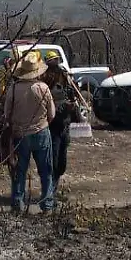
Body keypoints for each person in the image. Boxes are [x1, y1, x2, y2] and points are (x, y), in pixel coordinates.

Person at [0, 50, 57, 213]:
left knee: (19, 172)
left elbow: (6, 114)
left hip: (19, 134)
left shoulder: (13, 89)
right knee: (46, 171)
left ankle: (18, 204)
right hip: (41, 132)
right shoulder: (43, 88)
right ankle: (47, 205)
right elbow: (52, 114)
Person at [42, 50, 78, 191]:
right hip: (51, 123)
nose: (55, 62)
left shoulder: (64, 75)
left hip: (64, 121)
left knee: (62, 157)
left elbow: (72, 94)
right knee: (54, 156)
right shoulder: (43, 78)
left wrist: (72, 104)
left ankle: (55, 182)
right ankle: (51, 189)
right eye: (52, 60)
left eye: (56, 60)